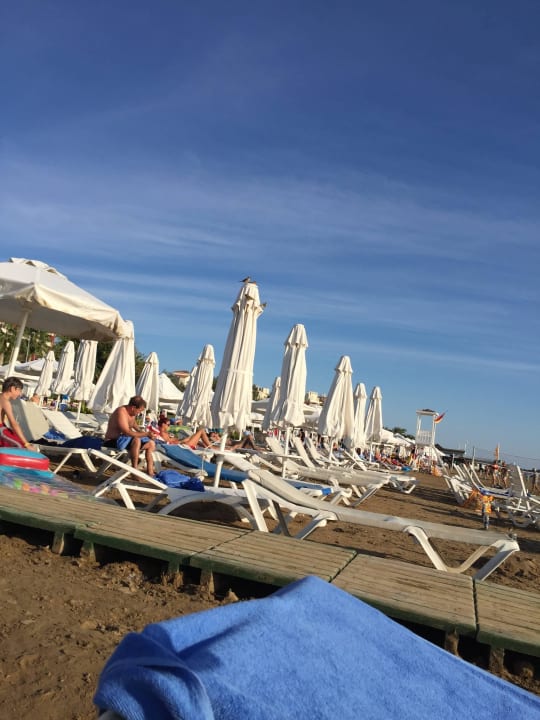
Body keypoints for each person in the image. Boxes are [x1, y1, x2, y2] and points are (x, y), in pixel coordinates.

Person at [104, 395, 157, 476]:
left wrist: (142, 432)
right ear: (133, 407)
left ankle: (150, 471)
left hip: (126, 441)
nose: (139, 413)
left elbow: (133, 423)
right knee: (136, 440)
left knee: (151, 443)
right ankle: (134, 471)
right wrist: (145, 434)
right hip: (112, 441)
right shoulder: (121, 412)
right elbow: (126, 432)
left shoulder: (132, 413)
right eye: (139, 410)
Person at [0, 377, 33, 449]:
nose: (20, 394)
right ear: (12, 389)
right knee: (19, 446)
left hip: (2, 427)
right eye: (19, 390)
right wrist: (27, 444)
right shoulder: (5, 402)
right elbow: (13, 424)